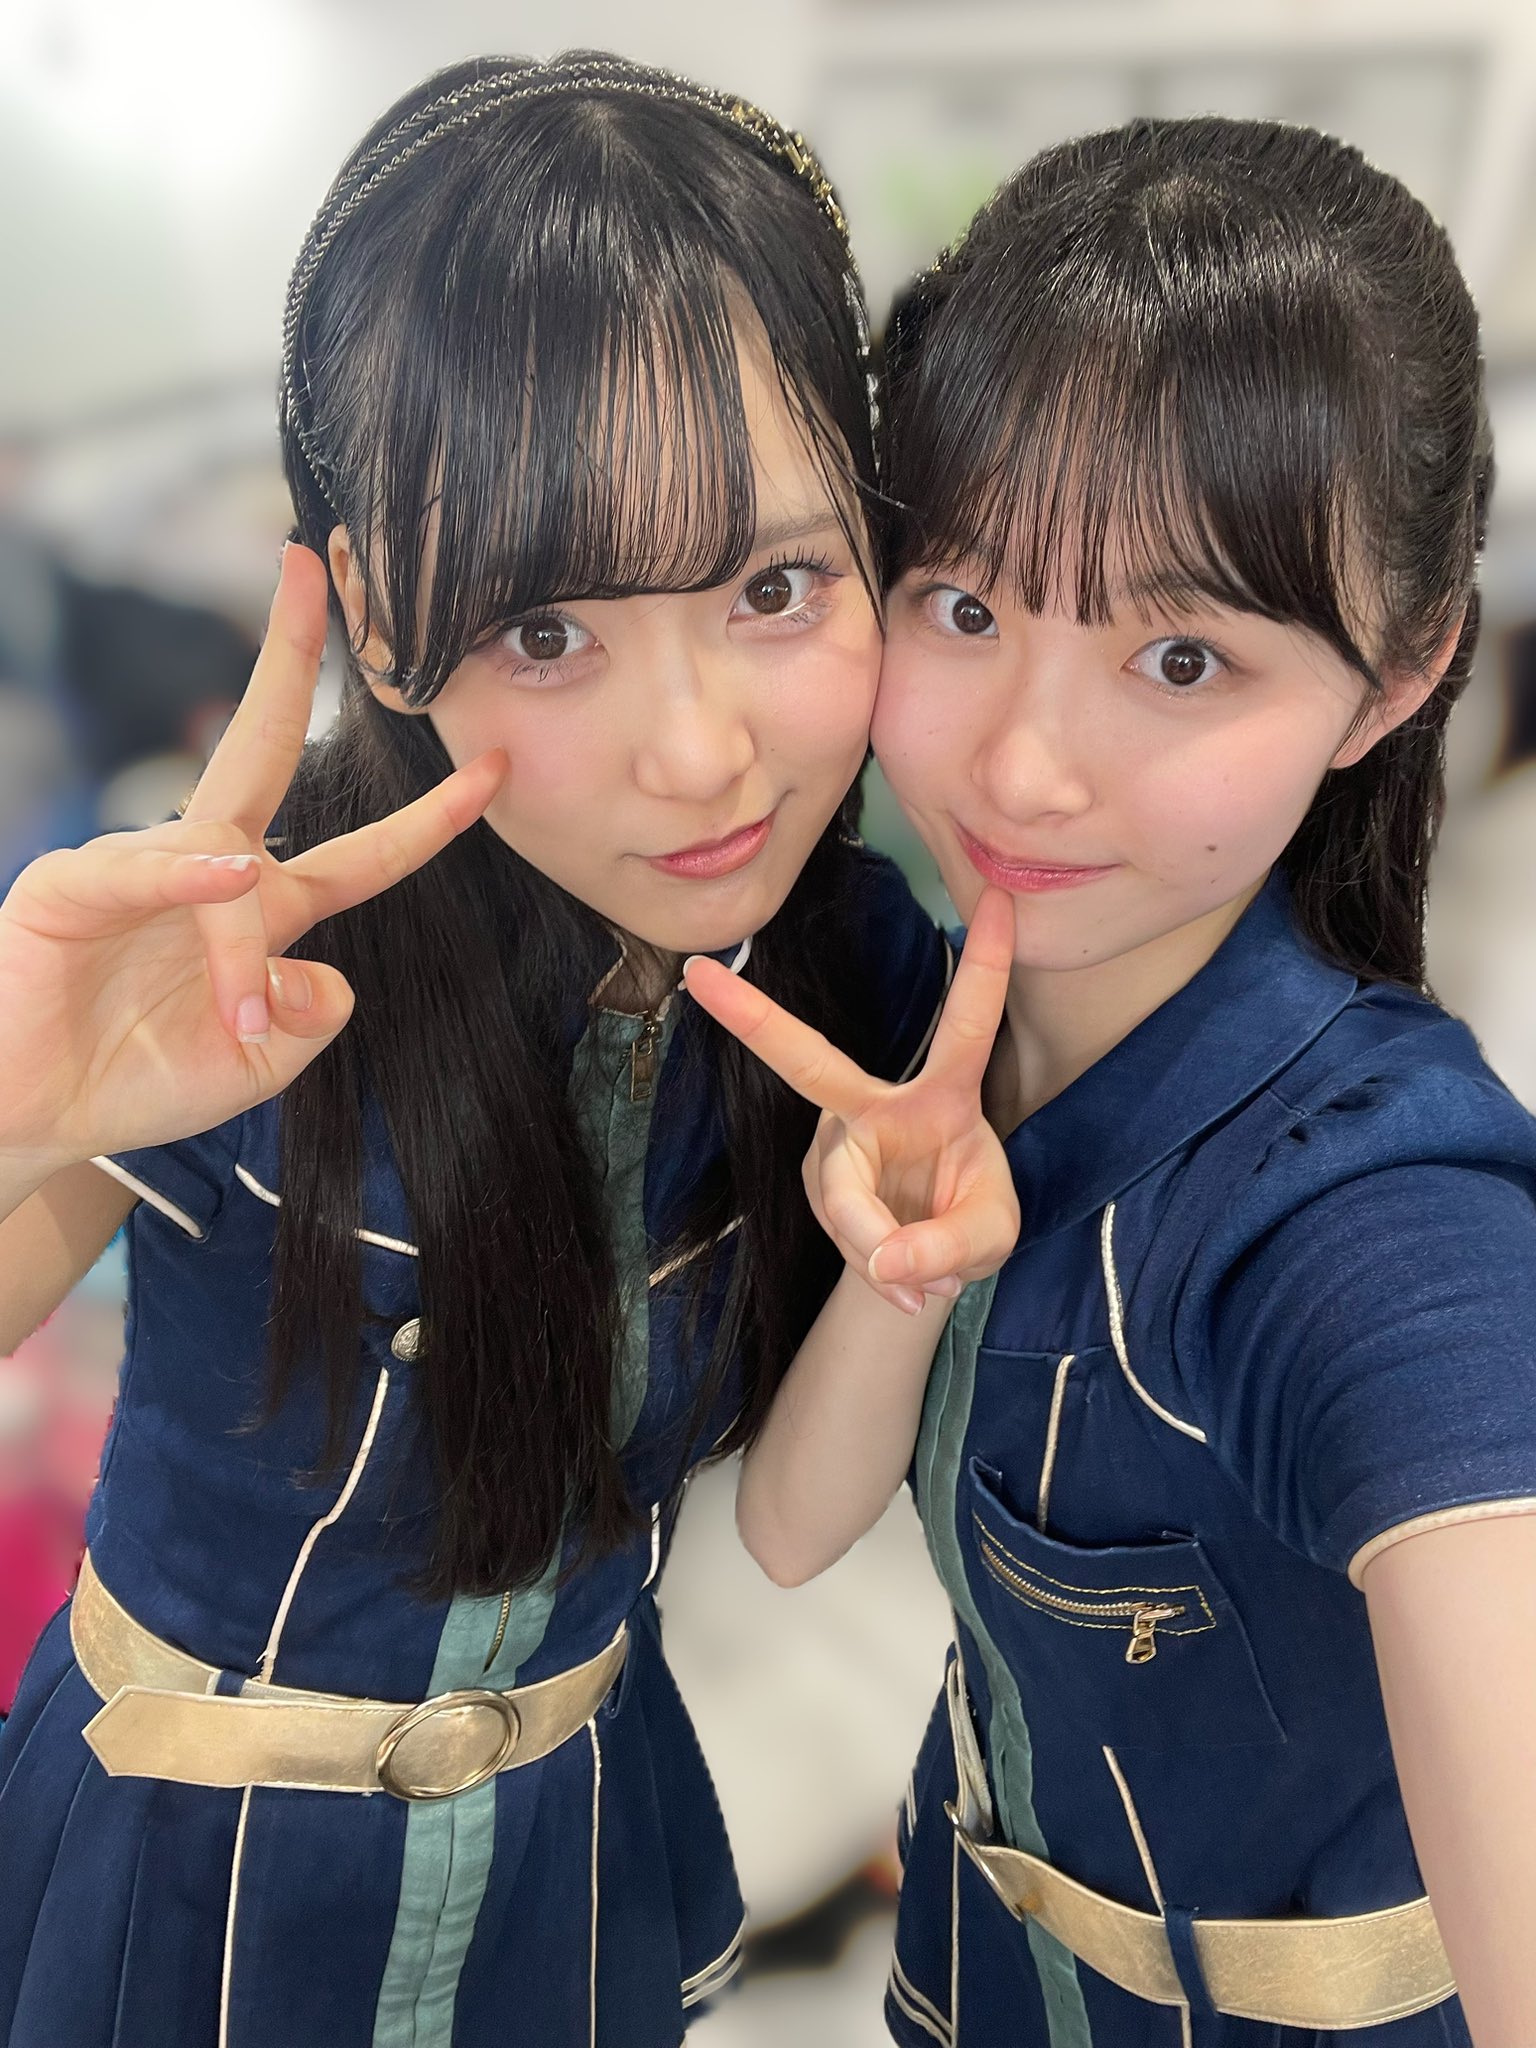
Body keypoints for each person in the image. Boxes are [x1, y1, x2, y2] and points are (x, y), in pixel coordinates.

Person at [0, 52, 956, 2048]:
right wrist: (17, 1117)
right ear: (373, 610)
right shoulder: (242, 943)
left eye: (776, 586)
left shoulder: (860, 979)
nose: (698, 754)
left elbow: (790, 1532)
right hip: (185, 1888)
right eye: (545, 633)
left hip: (564, 1865)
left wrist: (903, 1272)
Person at [686, 116, 1536, 2046]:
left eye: (1182, 660)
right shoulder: (935, 1026)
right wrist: (896, 1270)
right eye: (967, 609)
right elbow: (792, 1538)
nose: (1024, 769)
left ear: (1400, 676)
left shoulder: (1363, 1212)